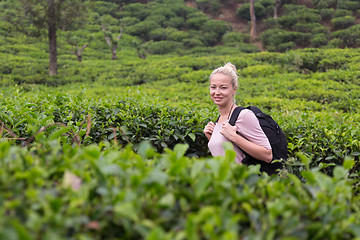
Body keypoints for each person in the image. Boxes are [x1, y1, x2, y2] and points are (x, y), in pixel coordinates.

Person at [203, 62, 273, 165]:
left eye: (223, 88)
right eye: (213, 87)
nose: (217, 92)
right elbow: (228, 155)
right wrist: (212, 137)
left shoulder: (243, 115)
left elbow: (267, 155)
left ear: (234, 89)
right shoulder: (219, 119)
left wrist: (234, 137)